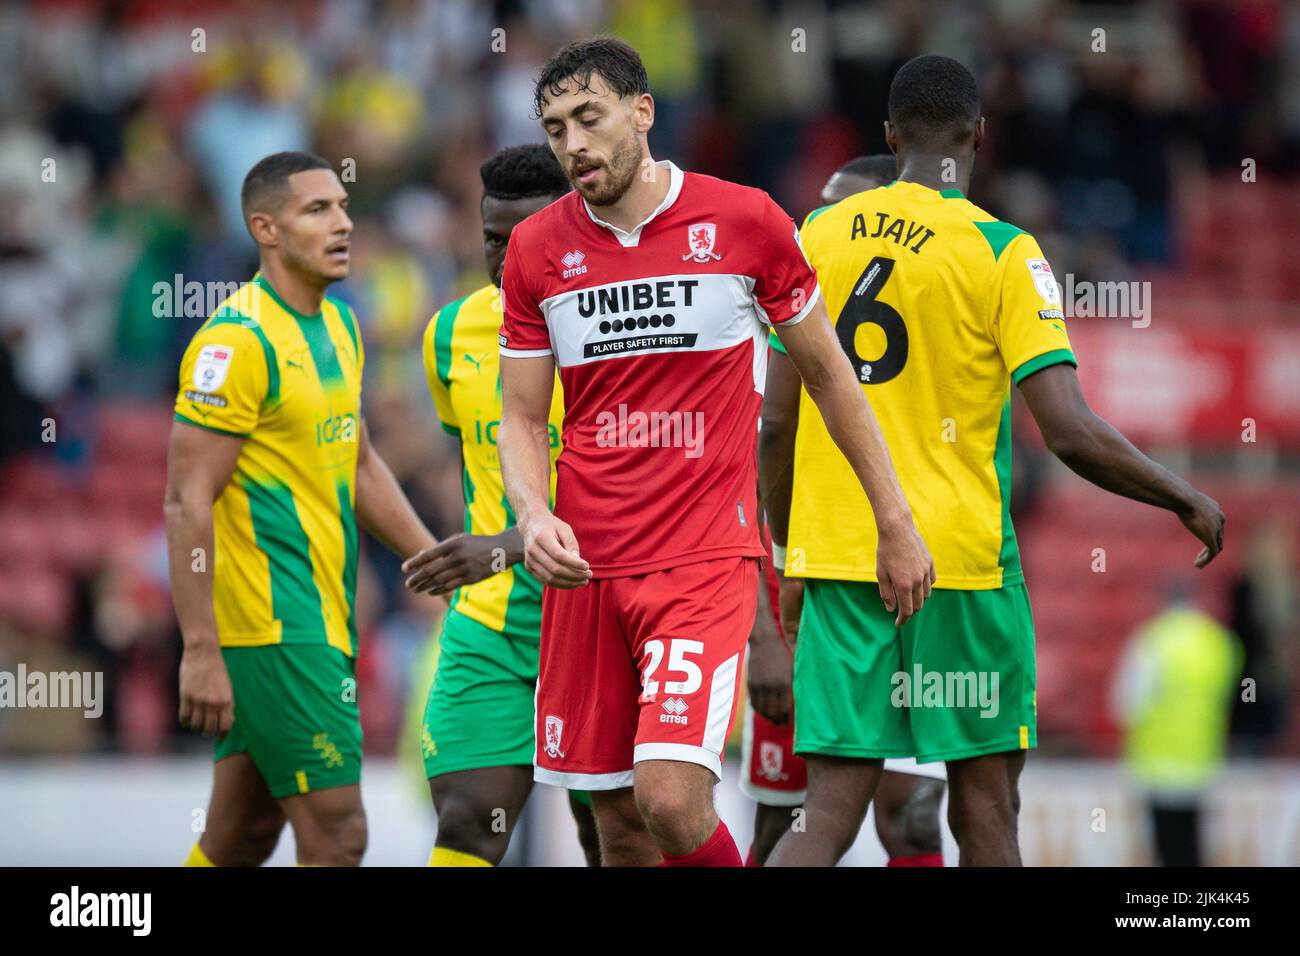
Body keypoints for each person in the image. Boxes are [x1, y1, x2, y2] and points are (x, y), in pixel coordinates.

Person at [762, 56, 1225, 867]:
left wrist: (789, 553)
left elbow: (776, 425)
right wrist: (1182, 494)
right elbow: (1068, 430)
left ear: (889, 137)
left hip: (839, 560)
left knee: (828, 808)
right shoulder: (1002, 251)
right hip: (960, 569)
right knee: (985, 810)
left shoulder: (813, 237)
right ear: (980, 134)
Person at [496, 36, 933, 867]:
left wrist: (894, 518)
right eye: (556, 129)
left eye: (590, 117)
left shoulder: (746, 221)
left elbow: (831, 378)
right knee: (617, 822)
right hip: (586, 568)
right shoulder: (536, 250)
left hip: (699, 561)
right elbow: (519, 416)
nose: (574, 144)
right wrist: (532, 513)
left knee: (669, 797)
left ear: (643, 111)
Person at [167, 151, 439, 866]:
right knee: (340, 835)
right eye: (317, 210)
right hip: (274, 626)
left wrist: (433, 561)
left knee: (241, 836)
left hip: (322, 614)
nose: (342, 223)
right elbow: (185, 501)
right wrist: (200, 649)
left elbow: (360, 463)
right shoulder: (236, 342)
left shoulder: (342, 326)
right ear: (266, 229)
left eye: (343, 207)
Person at [744, 154, 946, 868]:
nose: (821, 227)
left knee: (911, 821)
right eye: (818, 213)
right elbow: (749, 463)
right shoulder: (771, 319)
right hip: (804, 585)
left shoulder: (932, 327)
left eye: (841, 211)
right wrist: (765, 624)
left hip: (911, 586)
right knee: (786, 816)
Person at [402, 144, 600, 867]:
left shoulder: (622, 328)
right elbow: (480, 460)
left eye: (527, 238)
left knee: (613, 831)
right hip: (492, 626)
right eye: (493, 239)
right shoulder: (450, 335)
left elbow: (640, 483)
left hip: (602, 615)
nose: (508, 257)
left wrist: (507, 545)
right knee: (466, 822)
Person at [1111, 587, 1242, 866]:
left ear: (1163, 601)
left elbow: (1125, 704)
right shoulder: (1219, 642)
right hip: (1204, 762)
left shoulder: (1153, 641)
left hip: (1158, 766)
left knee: (1165, 848)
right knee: (1192, 848)